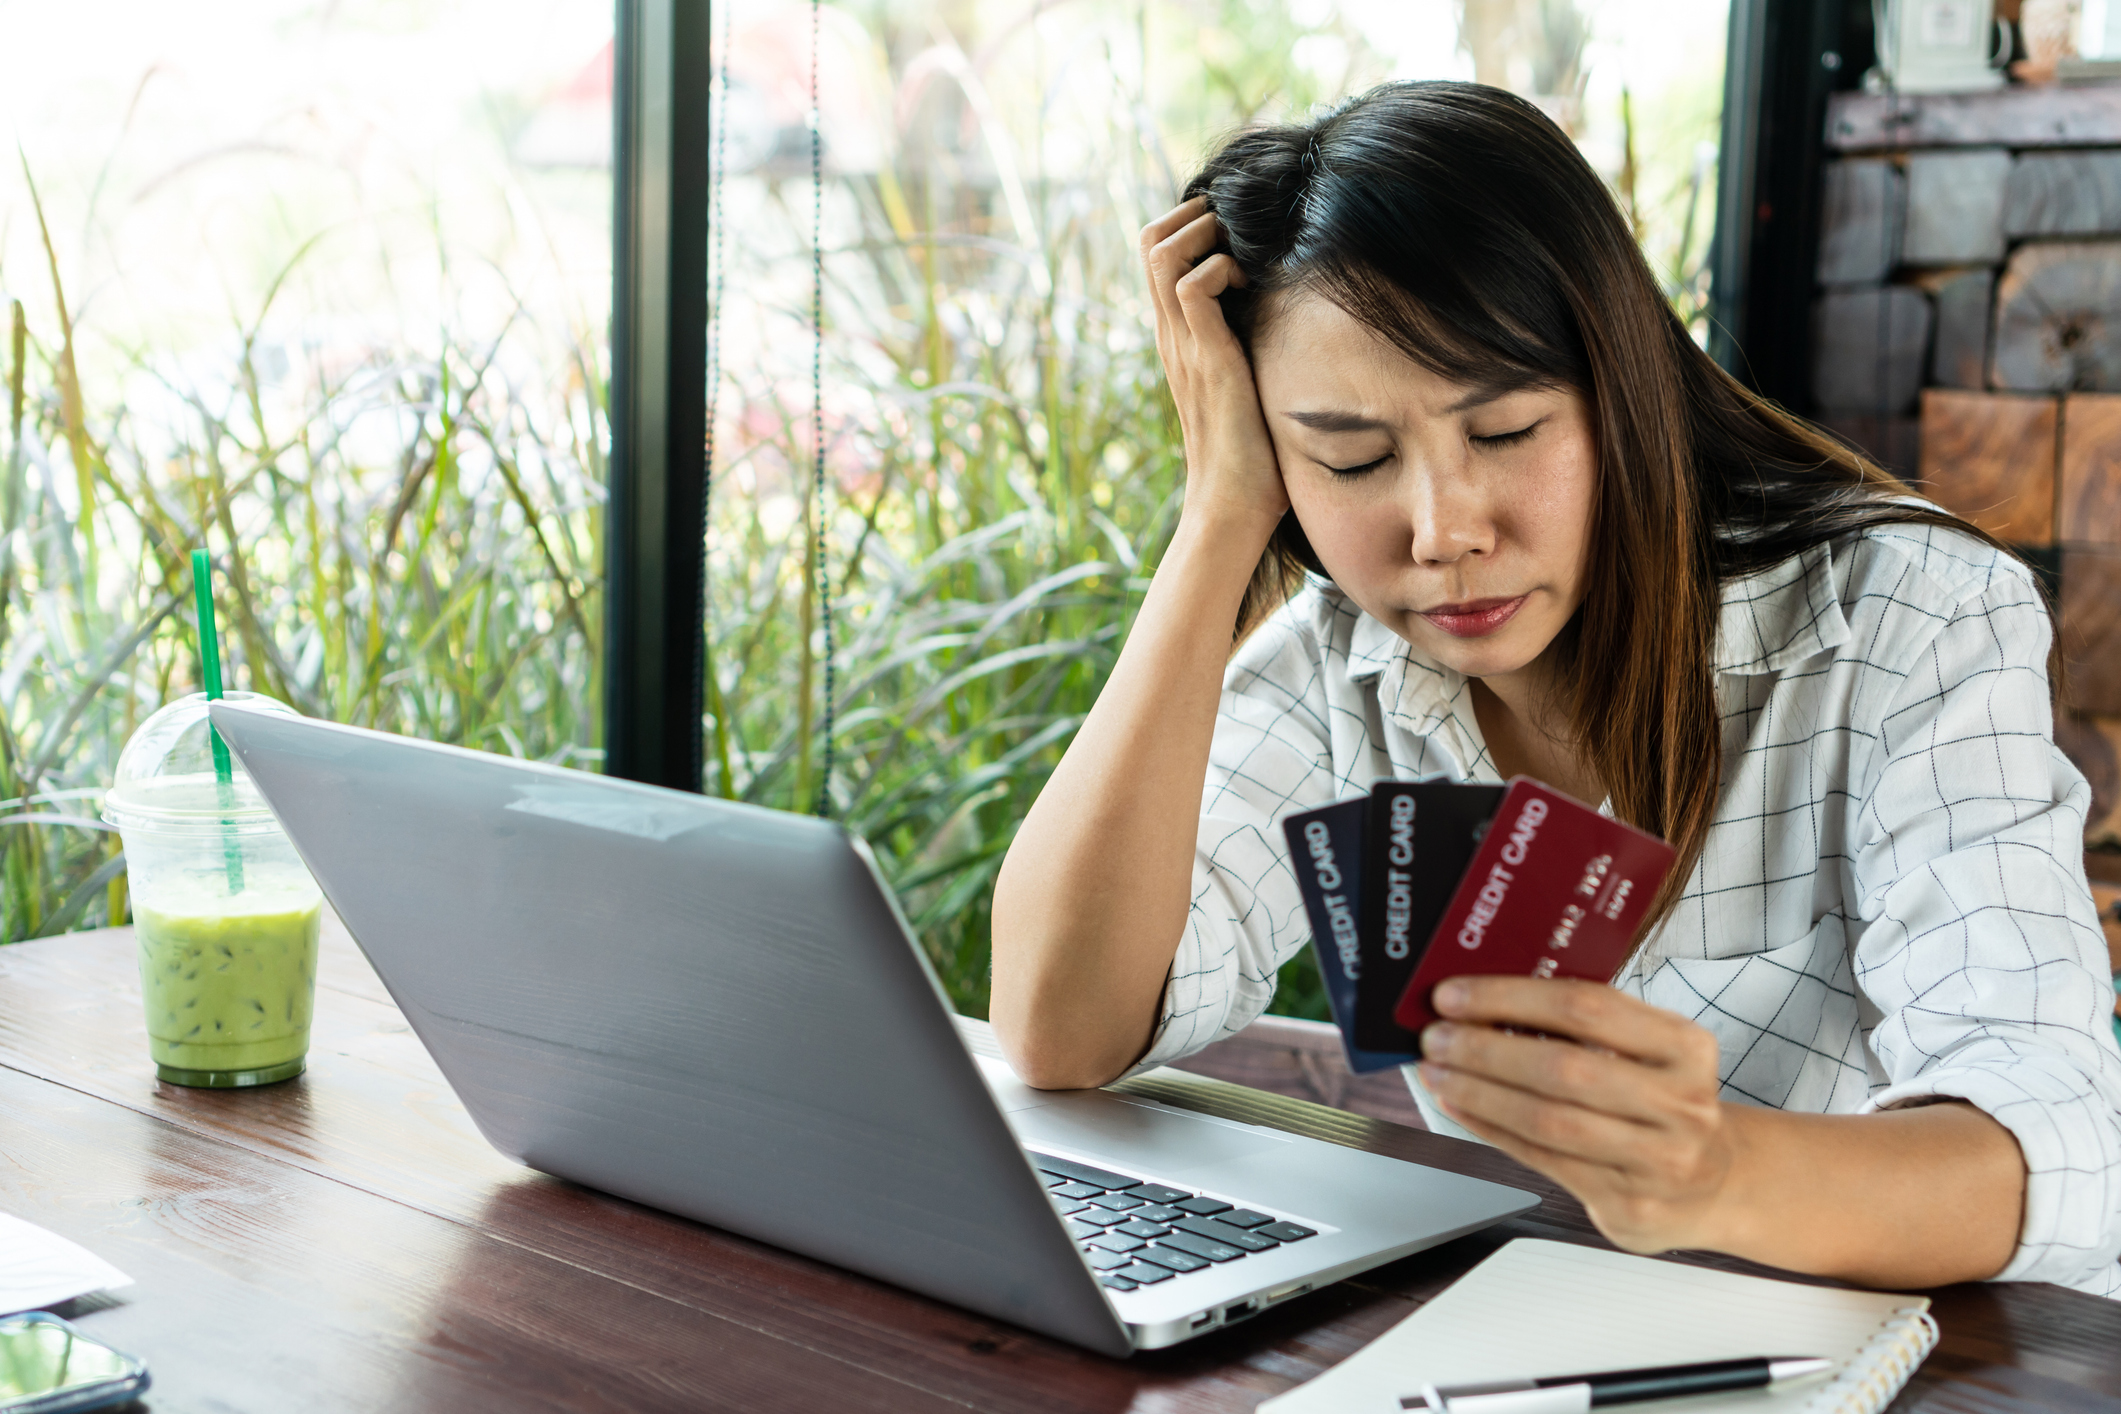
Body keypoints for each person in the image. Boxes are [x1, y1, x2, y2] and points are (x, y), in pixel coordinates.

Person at [988, 82, 2121, 1296]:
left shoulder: (1910, 615)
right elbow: (1060, 1026)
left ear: (1619, 389)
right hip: (1542, 1325)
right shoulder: (1343, 662)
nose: (1443, 531)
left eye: (1509, 430)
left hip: (1910, 1348)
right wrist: (1217, 517)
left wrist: (1715, 1173)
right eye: (1351, 457)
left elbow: (2052, 1153)